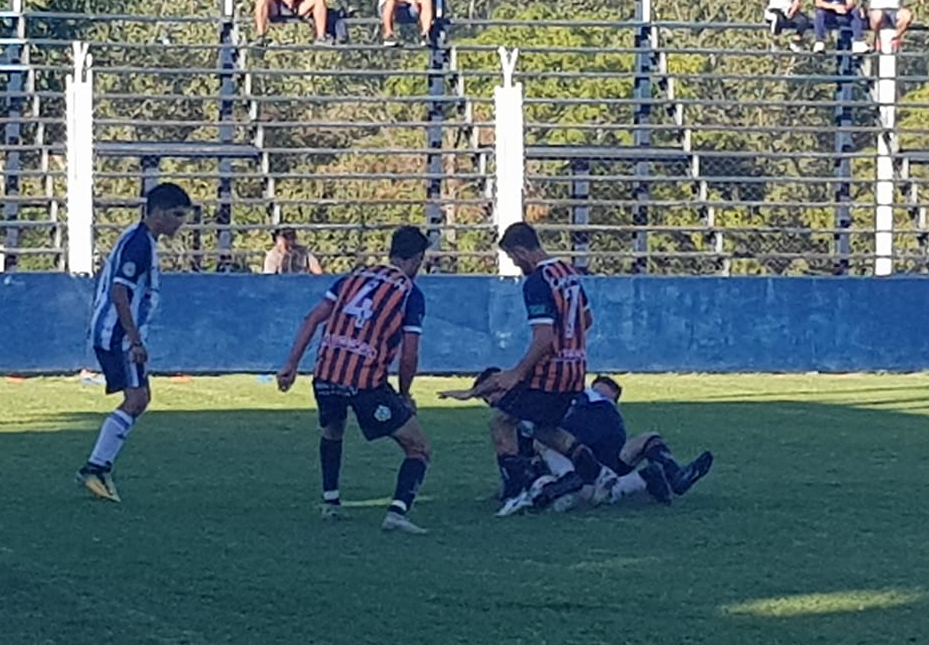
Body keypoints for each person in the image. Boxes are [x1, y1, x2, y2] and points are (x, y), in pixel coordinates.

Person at [275, 225, 434, 534]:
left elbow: (312, 318)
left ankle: (330, 502)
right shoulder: (409, 293)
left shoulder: (352, 277)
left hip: (327, 373)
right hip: (365, 382)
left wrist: (291, 365)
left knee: (333, 430)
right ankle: (397, 513)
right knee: (419, 447)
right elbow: (409, 354)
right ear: (417, 259)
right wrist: (404, 393)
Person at [475, 222, 605, 515]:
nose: (515, 264)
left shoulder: (537, 281)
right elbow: (586, 320)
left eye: (513, 257)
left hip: (551, 372)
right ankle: (594, 471)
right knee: (542, 428)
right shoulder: (568, 273)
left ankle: (517, 492)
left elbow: (543, 338)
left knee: (502, 420)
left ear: (522, 251)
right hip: (576, 369)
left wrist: (517, 372)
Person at [442, 371, 714, 511]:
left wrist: (511, 489)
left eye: (489, 397)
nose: (490, 402)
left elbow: (524, 455)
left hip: (575, 431)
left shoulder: (518, 401)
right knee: (646, 439)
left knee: (548, 449)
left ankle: (570, 478)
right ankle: (669, 475)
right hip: (610, 428)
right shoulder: (581, 390)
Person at [78, 183, 193, 502]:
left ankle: (98, 466)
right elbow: (120, 293)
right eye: (177, 215)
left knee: (139, 398)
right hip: (118, 335)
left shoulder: (142, 239)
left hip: (118, 333)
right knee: (137, 399)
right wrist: (134, 339)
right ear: (158, 213)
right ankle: (95, 468)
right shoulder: (139, 244)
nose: (181, 222)